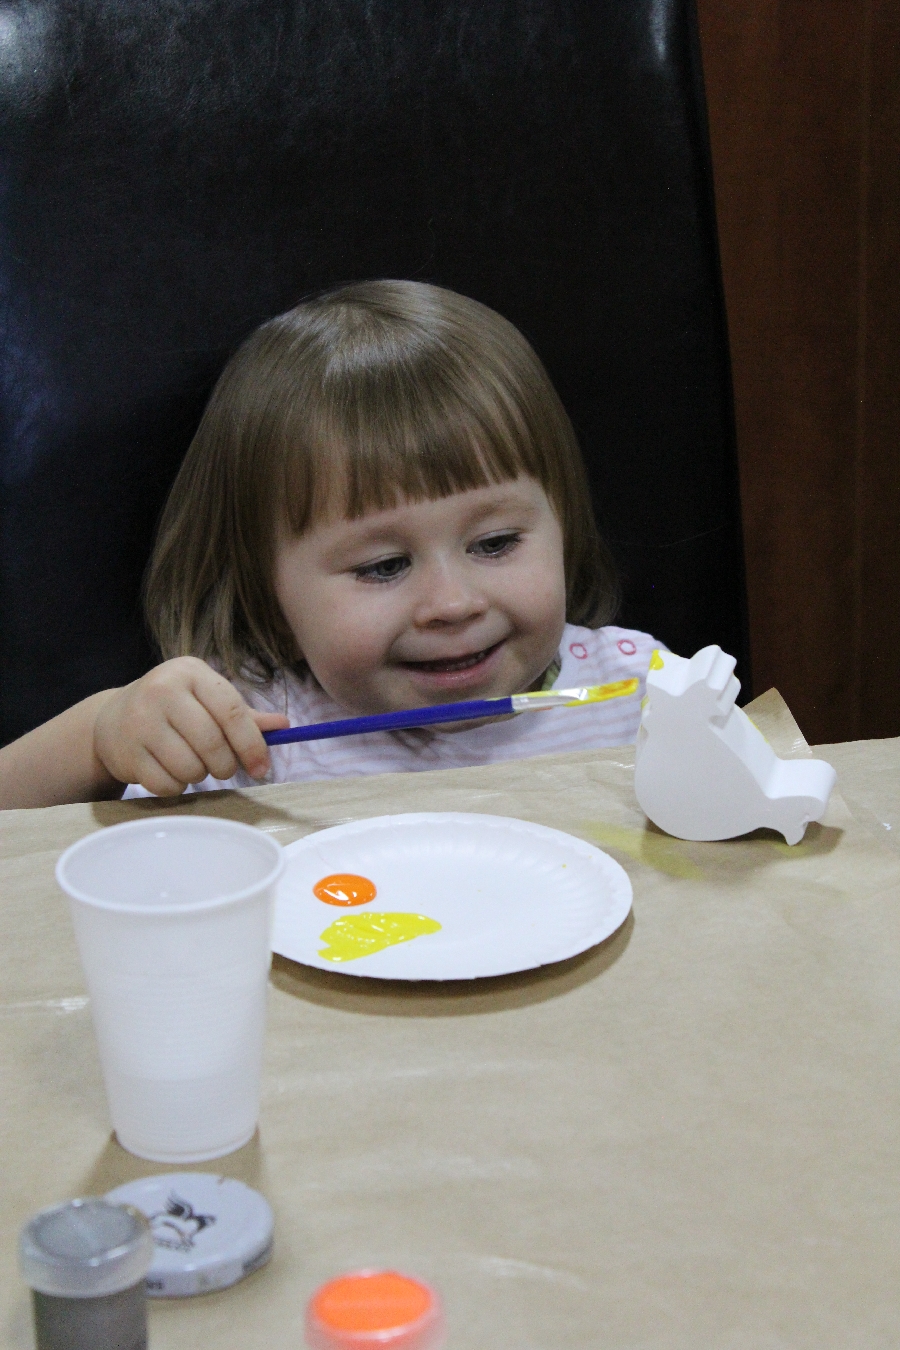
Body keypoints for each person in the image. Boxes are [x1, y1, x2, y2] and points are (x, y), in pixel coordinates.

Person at [0, 280, 659, 809]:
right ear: (270, 597)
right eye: (384, 566)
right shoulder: (248, 732)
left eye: (494, 543)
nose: (453, 603)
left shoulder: (642, 691)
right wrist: (98, 738)